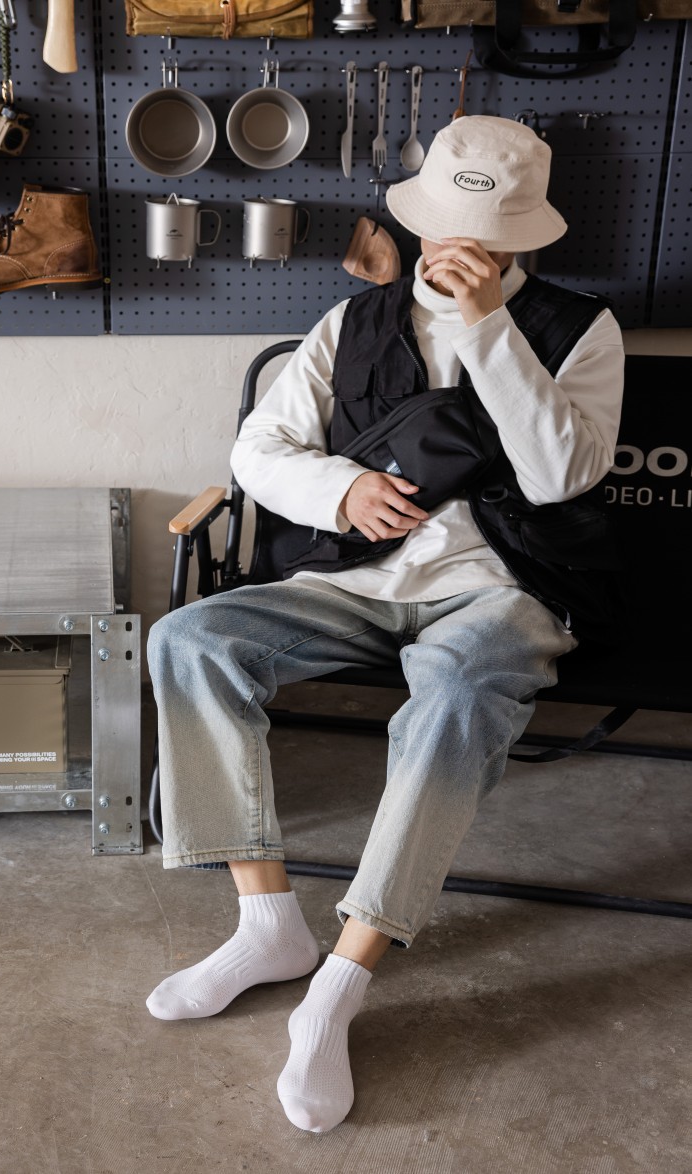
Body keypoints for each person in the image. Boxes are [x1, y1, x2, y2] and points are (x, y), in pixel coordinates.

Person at [145, 115, 624, 1134]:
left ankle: (342, 980)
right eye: (446, 221)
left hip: (502, 588)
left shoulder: (582, 329)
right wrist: (343, 489)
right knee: (188, 639)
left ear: (519, 237)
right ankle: (268, 924)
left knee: (455, 686)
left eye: (484, 232)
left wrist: (487, 327)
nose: (460, 245)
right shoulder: (351, 322)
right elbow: (258, 451)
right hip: (354, 580)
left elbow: (560, 477)